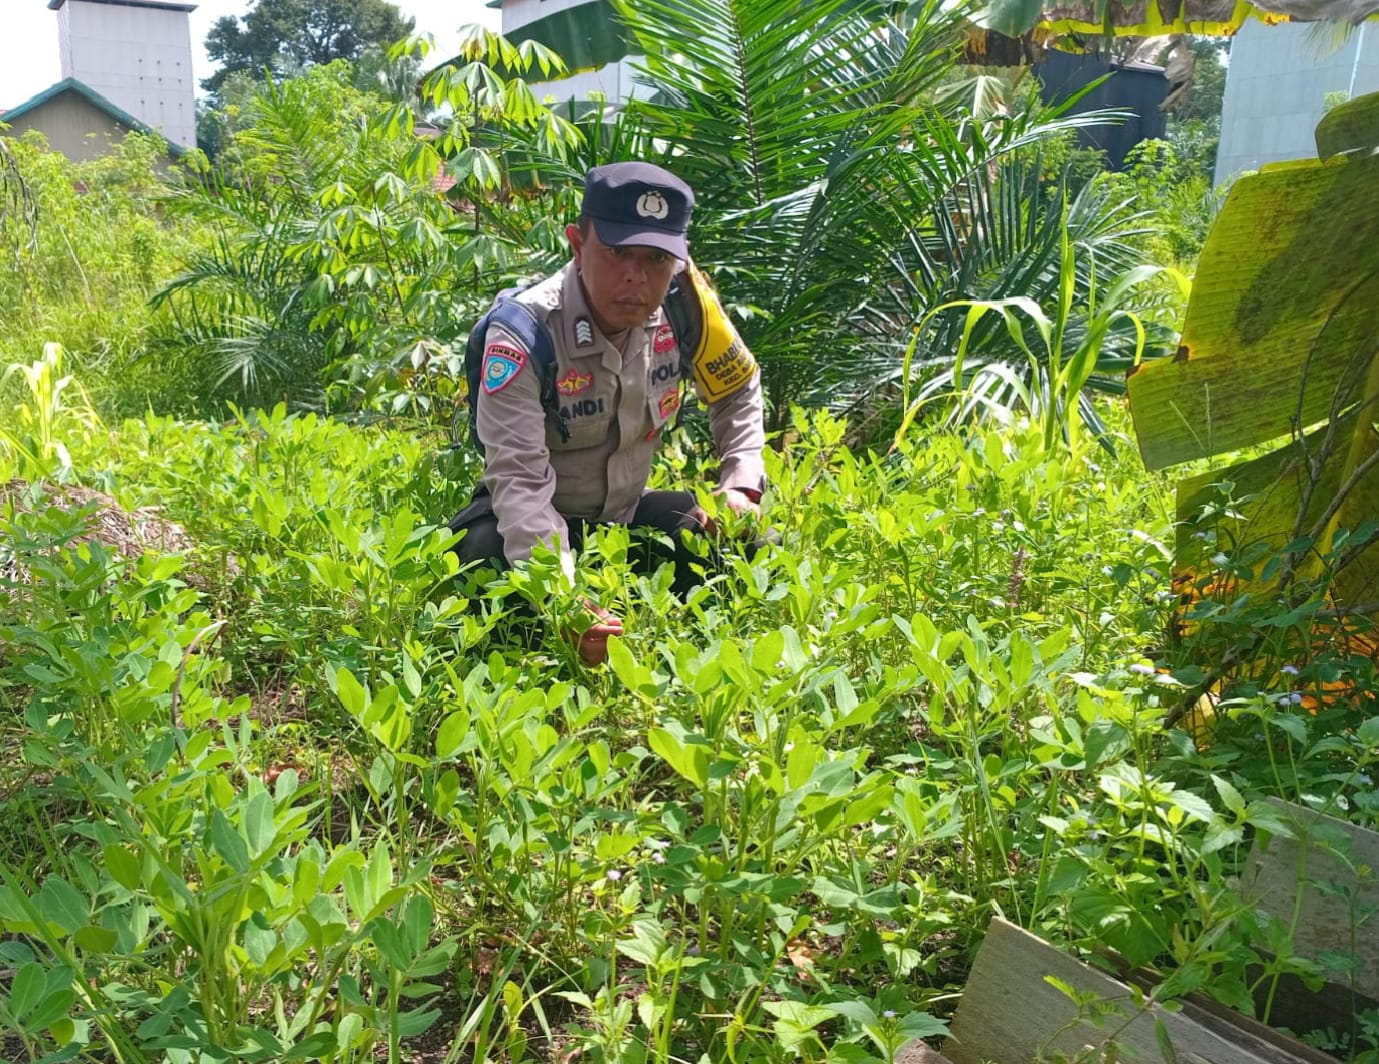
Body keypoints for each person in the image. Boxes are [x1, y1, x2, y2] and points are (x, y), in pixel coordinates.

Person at [447, 162, 767, 665]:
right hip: (531, 520)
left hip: (622, 519)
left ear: (678, 263)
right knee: (481, 563)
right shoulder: (523, 333)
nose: (635, 277)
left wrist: (741, 485)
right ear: (577, 243)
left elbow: (739, 386)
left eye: (657, 259)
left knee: (739, 537)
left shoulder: (687, 307)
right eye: (617, 253)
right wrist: (561, 598)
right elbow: (519, 482)